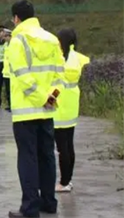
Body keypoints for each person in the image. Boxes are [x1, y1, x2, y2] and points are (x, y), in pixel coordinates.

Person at [6, 0, 65, 218]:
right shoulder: (52, 39)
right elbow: (61, 75)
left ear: (16, 18)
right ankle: (49, 202)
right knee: (47, 156)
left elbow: (22, 75)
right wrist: (50, 99)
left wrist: (40, 98)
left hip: (25, 112)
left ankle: (30, 208)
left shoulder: (17, 41)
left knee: (28, 157)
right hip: (47, 110)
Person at [54, 28, 90, 193]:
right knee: (69, 145)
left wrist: (49, 98)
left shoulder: (58, 59)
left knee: (62, 148)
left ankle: (64, 182)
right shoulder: (79, 58)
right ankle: (68, 180)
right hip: (72, 103)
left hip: (59, 103)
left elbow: (55, 83)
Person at [2, 29, 13, 112]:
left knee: (12, 91)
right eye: (4, 36)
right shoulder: (6, 45)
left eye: (6, 36)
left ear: (10, 36)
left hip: (12, 73)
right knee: (7, 91)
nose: (5, 38)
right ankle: (9, 105)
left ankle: (12, 106)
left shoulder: (14, 45)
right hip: (6, 72)